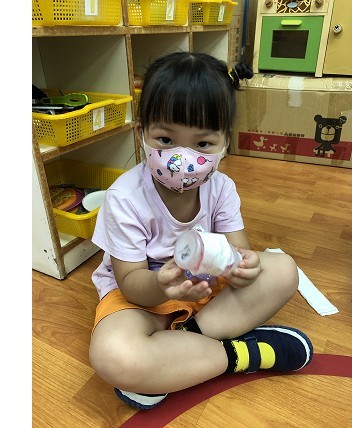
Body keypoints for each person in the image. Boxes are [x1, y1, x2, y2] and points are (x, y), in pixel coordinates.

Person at [89, 51, 313, 410]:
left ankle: (184, 344)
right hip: (144, 299)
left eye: (203, 144)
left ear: (225, 143)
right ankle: (241, 354)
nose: (182, 159)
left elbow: (239, 252)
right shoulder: (125, 198)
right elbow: (130, 283)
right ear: (142, 132)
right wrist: (162, 283)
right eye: (165, 140)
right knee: (114, 355)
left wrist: (244, 267)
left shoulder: (221, 188)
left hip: (206, 291)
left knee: (284, 269)